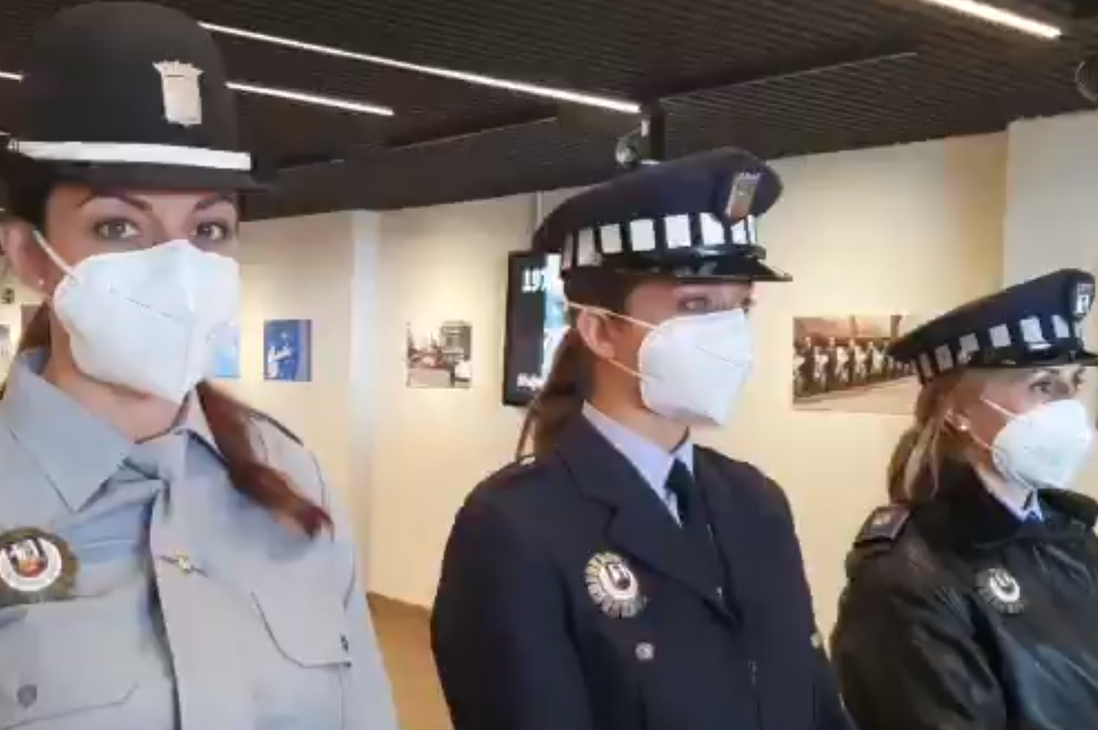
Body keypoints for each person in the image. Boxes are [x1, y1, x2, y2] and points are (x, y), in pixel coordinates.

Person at [0, 4, 398, 730]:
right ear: (28, 255)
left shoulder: (290, 481)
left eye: (207, 229)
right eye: (119, 226)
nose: (176, 267)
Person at [431, 148, 853, 730]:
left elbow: (816, 704)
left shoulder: (756, 502)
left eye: (740, 307)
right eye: (695, 305)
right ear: (601, 330)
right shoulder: (515, 527)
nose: (727, 333)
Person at [831, 268, 1098, 730]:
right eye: (1042, 385)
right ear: (957, 409)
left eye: (1073, 383)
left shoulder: (1068, 532)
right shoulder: (906, 574)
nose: (1067, 407)